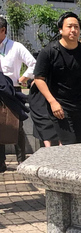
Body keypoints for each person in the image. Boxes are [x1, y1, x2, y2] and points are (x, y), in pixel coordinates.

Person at [28, 12, 81, 147]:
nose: (73, 30)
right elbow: (39, 79)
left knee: (80, 144)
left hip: (80, 106)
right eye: (69, 26)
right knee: (69, 144)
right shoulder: (49, 52)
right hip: (59, 106)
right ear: (61, 29)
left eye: (77, 27)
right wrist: (52, 102)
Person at [0, 16, 36, 172]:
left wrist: (23, 77)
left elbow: (34, 63)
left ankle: (21, 161)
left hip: (13, 90)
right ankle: (1, 162)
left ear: (3, 30)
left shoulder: (16, 47)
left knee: (17, 126)